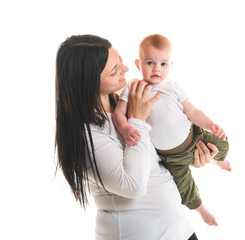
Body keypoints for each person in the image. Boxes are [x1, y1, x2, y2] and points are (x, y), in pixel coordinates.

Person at [55, 34, 219, 240]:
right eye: (115, 70)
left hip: (179, 229)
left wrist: (189, 155)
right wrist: (138, 119)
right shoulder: (86, 134)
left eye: (121, 62)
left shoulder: (125, 103)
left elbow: (154, 159)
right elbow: (133, 185)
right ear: (89, 82)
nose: (125, 70)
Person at [113, 34, 230, 226]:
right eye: (150, 63)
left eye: (163, 64)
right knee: (185, 189)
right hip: (170, 157)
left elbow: (192, 111)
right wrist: (125, 127)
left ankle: (219, 161)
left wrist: (210, 124)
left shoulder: (172, 87)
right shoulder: (132, 88)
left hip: (194, 138)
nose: (157, 68)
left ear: (170, 65)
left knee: (222, 144)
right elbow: (119, 113)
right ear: (138, 63)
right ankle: (202, 210)